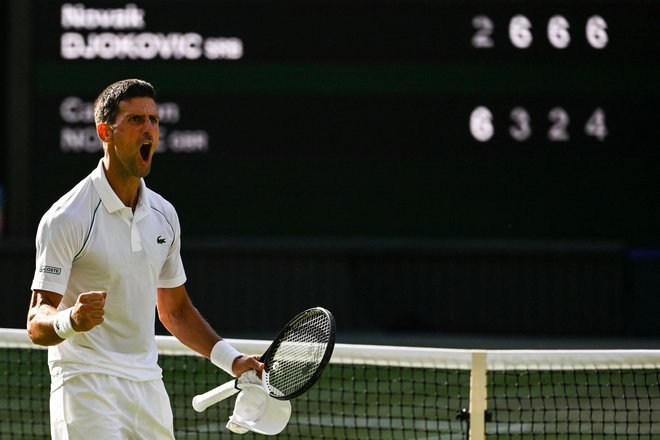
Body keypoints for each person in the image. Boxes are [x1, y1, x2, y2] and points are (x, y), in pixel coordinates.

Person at [26, 79, 263, 439]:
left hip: (148, 386)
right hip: (86, 384)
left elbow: (176, 311)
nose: (149, 128)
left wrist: (232, 360)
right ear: (105, 131)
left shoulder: (165, 215)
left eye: (153, 120)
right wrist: (70, 321)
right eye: (136, 120)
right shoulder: (65, 218)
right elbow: (36, 321)